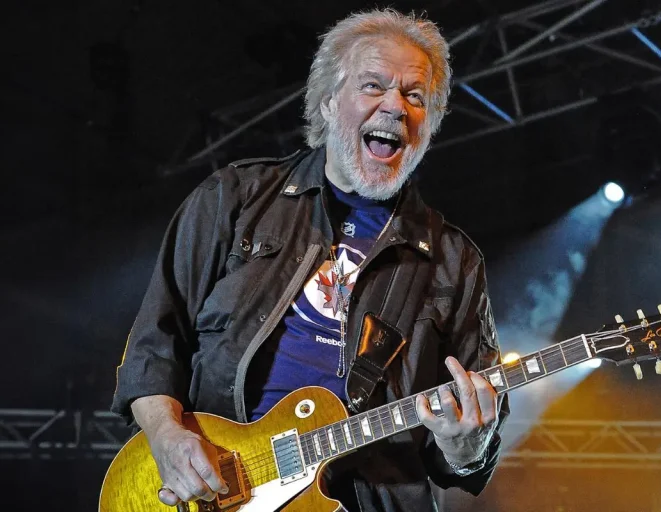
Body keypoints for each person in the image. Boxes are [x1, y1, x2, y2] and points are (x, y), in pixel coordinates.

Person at [111, 9, 509, 511]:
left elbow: (463, 453)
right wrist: (167, 438)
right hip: (216, 490)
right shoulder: (235, 198)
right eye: (373, 86)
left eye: (415, 96)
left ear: (428, 126)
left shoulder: (454, 262)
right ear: (326, 102)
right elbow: (154, 346)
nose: (396, 107)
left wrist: (466, 445)